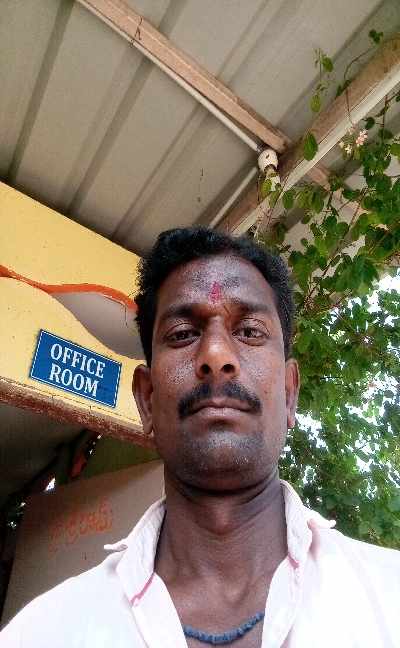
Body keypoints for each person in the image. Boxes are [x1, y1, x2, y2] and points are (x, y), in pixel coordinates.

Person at [1, 226, 399, 647]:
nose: (216, 355)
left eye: (249, 331)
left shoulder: (388, 597)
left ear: (289, 393)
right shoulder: (41, 633)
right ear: (147, 398)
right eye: (182, 334)